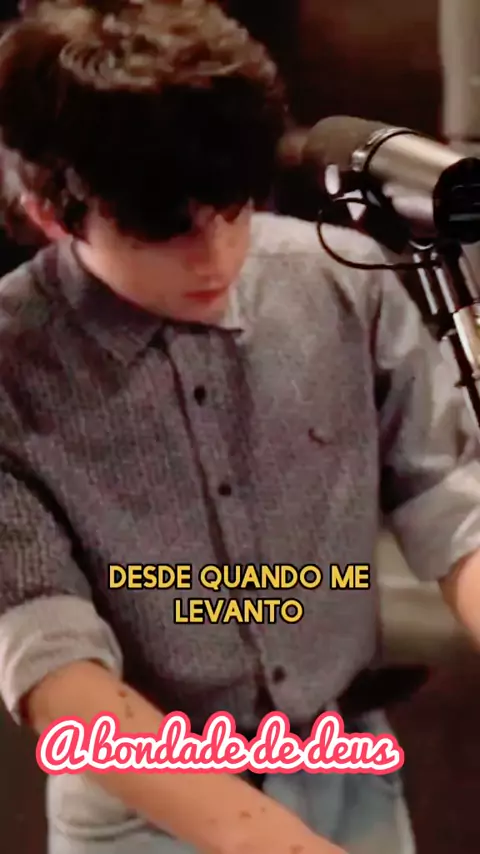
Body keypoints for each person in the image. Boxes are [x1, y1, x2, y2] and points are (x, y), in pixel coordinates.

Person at [0, 2, 480, 854]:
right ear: (52, 211)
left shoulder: (342, 281)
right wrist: (270, 841)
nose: (218, 256)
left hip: (345, 766)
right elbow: (49, 654)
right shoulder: (13, 363)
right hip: (145, 801)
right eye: (169, 231)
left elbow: (450, 497)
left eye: (232, 210)